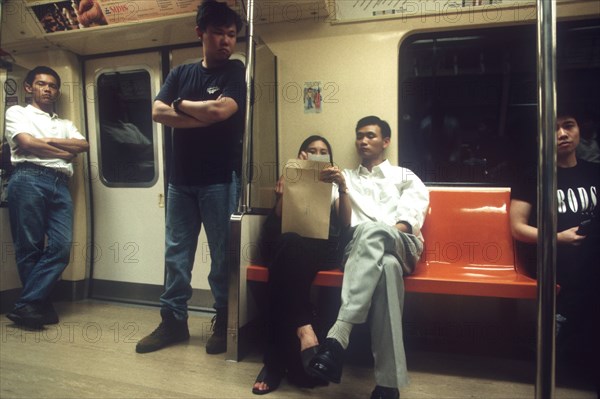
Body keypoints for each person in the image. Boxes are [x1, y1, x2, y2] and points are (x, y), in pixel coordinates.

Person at [135, 0, 245, 355]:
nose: (225, 41)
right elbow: (155, 111)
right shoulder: (181, 73)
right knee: (176, 254)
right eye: (218, 33)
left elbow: (221, 109)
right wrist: (203, 116)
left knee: (220, 256)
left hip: (219, 180)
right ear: (201, 33)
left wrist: (180, 106)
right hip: (180, 182)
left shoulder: (235, 72)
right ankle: (173, 322)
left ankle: (223, 319)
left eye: (231, 34)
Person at [306, 116, 430, 399]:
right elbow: (344, 223)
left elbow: (407, 222)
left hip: (402, 245)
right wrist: (342, 189)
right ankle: (388, 385)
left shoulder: (405, 176)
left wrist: (378, 234)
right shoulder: (345, 177)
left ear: (386, 141)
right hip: (363, 253)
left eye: (371, 136)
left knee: (374, 233)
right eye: (359, 135)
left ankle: (339, 335)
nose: (363, 141)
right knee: (386, 268)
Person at [252, 135, 351, 395]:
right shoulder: (290, 175)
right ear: (301, 154)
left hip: (321, 248)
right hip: (287, 243)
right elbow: (279, 221)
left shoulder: (333, 183)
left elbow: (345, 223)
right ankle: (304, 331)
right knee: (290, 244)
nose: (317, 155)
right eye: (311, 151)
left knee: (283, 270)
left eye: (323, 152)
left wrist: (342, 187)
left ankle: (274, 364)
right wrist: (292, 181)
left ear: (329, 159)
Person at [509, 110, 600, 390]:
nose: (562, 134)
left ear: (579, 132)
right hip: (555, 258)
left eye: (568, 126)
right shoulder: (534, 176)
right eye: (554, 129)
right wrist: (557, 238)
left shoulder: (594, 171)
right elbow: (518, 227)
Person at [4, 65, 89, 328]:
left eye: (52, 86)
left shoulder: (64, 123)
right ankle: (38, 305)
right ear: (29, 87)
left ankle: (28, 304)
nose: (48, 89)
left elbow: (83, 145)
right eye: (41, 84)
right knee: (29, 247)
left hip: (59, 183)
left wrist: (47, 140)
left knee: (61, 249)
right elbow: (26, 144)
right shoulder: (16, 112)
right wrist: (63, 151)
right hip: (28, 177)